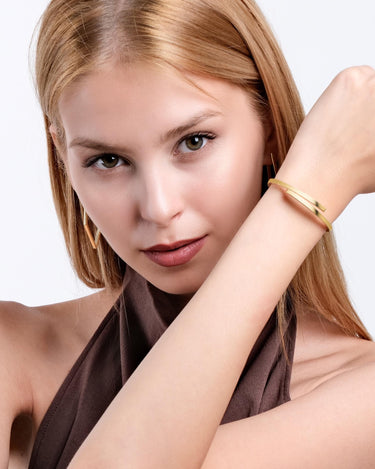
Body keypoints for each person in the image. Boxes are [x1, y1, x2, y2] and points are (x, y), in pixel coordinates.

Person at [3, 0, 375, 467]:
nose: (159, 208)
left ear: (272, 126)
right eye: (108, 160)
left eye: (193, 141)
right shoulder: (11, 350)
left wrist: (304, 195)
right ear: (63, 154)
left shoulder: (361, 398)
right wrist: (305, 196)